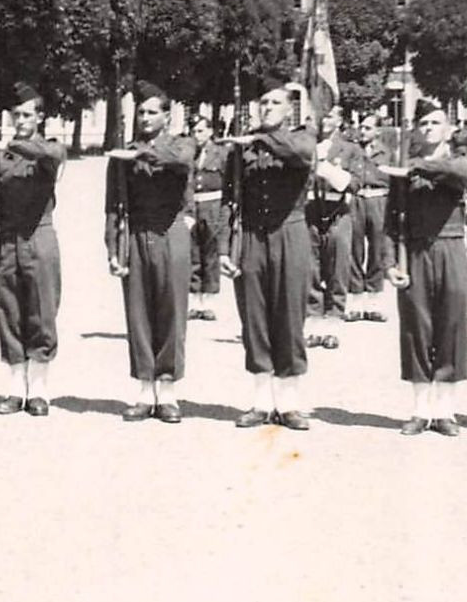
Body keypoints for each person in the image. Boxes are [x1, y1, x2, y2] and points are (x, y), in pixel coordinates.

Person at [216, 79, 319, 429]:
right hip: (252, 236)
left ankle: (288, 403)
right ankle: (261, 402)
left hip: (290, 232)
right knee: (255, 318)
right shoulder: (242, 148)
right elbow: (229, 200)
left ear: (289, 109)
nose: (267, 109)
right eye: (263, 103)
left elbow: (300, 155)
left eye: (275, 103)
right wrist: (225, 249)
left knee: (290, 317)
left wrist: (260, 139)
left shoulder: (302, 137)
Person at [381, 98, 467, 437]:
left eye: (435, 123)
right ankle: (421, 409)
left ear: (448, 129)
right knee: (416, 328)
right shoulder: (402, 171)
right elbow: (391, 220)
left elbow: (462, 175)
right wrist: (390, 261)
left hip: (451, 248)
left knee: (451, 327)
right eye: (423, 125)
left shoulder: (458, 162)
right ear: (415, 131)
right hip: (416, 252)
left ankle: (445, 410)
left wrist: (419, 167)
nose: (428, 129)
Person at [105, 81, 195, 423]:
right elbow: (113, 205)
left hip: (170, 231)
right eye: (141, 112)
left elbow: (181, 160)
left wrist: (140, 154)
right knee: (139, 312)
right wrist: (113, 247)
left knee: (172, 311)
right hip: (137, 233)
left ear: (166, 116)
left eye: (152, 112)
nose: (145, 117)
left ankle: (168, 391)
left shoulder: (181, 143)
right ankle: (145, 390)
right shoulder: (124, 152)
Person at [0, 82, 65, 416]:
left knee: (41, 312)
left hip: (39, 237)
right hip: (8, 240)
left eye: (27, 115)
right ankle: (16, 388)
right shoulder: (0, 156)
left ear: (40, 118)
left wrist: (12, 144)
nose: (20, 120)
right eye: (17, 115)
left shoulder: (49, 150)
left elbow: (49, 156)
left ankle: (39, 389)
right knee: (9, 311)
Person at [304, 106, 363, 350]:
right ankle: (313, 326)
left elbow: (357, 183)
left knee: (338, 269)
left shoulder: (350, 149)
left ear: (339, 120)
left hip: (338, 212)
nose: (322, 120)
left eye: (328, 115)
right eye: (320, 114)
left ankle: (333, 326)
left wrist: (329, 171)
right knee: (310, 271)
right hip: (309, 212)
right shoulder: (305, 146)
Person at [347, 115, 391, 324]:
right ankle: (355, 300)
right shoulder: (352, 150)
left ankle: (374, 302)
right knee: (354, 250)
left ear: (378, 131)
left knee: (377, 250)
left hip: (378, 200)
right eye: (361, 127)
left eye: (368, 128)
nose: (362, 131)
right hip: (356, 200)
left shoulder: (387, 152)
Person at [186, 114, 228, 322]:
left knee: (211, 254)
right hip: (193, 206)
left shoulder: (220, 153)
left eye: (201, 131)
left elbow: (227, 182)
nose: (197, 135)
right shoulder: (189, 153)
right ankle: (195, 301)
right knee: (193, 254)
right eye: (194, 131)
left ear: (210, 131)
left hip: (213, 205)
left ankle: (209, 302)